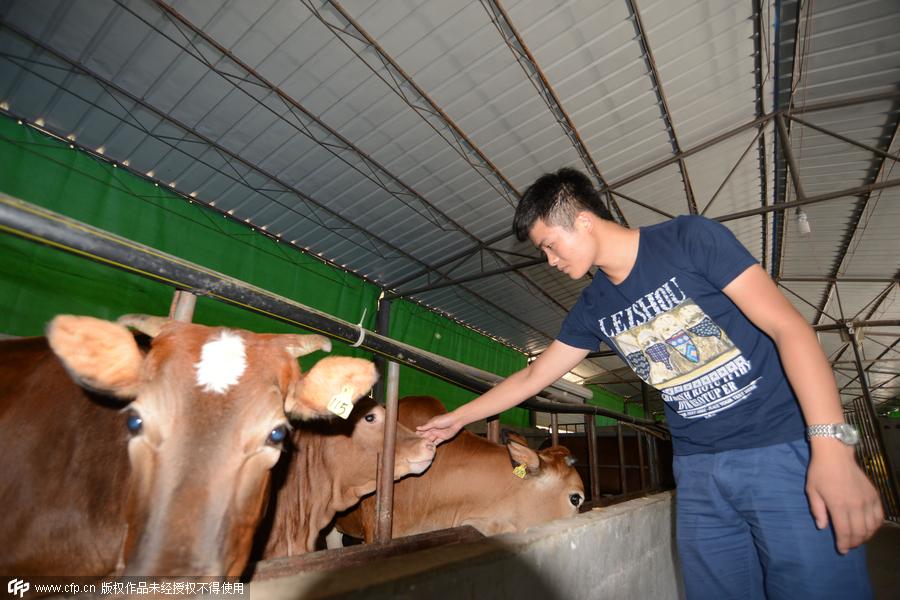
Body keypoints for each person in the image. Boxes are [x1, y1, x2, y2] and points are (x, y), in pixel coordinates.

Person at [416, 168, 882, 599]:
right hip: (699, 473)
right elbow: (535, 374)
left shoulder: (689, 239)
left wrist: (833, 448)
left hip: (779, 450)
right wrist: (456, 418)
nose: (550, 260)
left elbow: (790, 328)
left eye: (550, 245)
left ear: (583, 221)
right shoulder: (594, 305)